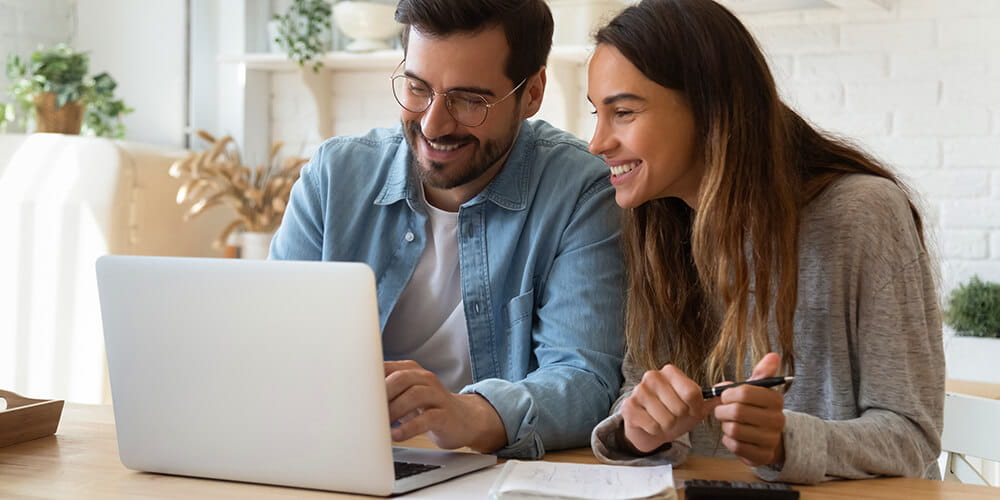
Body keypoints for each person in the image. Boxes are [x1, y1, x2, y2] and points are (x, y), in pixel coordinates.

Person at [586, 0, 944, 484]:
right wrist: (640, 429)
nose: (597, 142)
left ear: (709, 107)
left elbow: (912, 435)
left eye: (623, 112)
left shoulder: (863, 214)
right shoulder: (660, 225)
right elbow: (639, 390)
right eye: (597, 114)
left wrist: (784, 443)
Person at [270, 0, 625, 459]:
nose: (433, 124)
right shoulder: (335, 176)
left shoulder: (580, 191)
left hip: (490, 473)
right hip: (337, 458)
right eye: (418, 89)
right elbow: (271, 344)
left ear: (532, 92)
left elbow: (586, 379)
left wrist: (469, 414)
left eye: (469, 100)